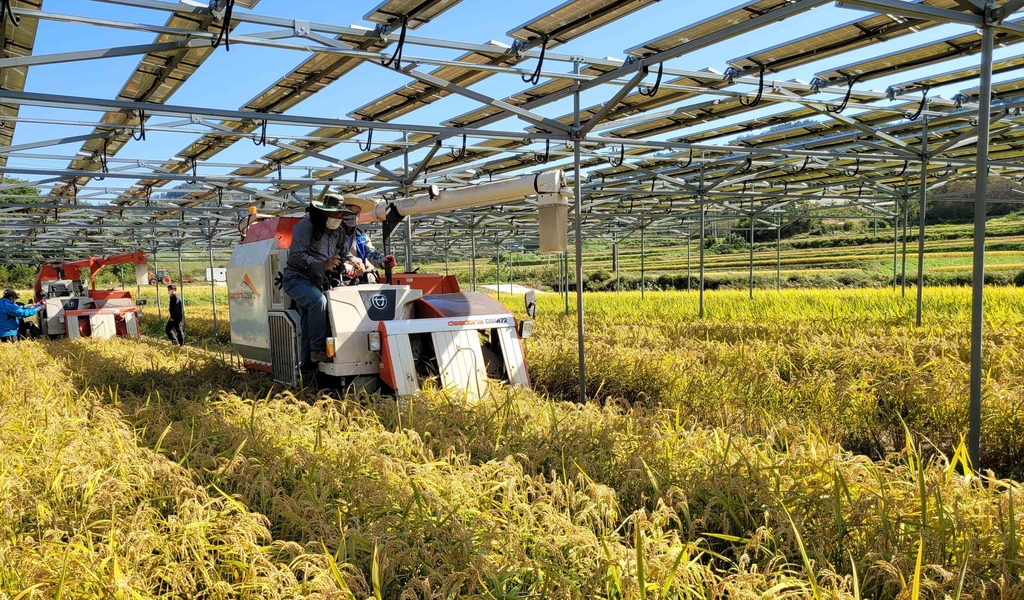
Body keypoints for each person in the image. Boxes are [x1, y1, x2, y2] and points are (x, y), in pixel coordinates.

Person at [282, 193, 360, 369]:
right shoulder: (305, 227)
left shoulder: (338, 232)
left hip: (317, 281)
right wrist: (322, 265)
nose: (338, 218)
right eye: (335, 215)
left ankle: (307, 371)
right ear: (324, 213)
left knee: (309, 327)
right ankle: (318, 350)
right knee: (319, 302)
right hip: (297, 278)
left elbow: (343, 252)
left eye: (340, 215)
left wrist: (352, 260)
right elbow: (295, 255)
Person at [336, 195, 396, 284]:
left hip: (358, 279)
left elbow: (370, 253)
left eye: (357, 212)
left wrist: (384, 261)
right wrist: (344, 264)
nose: (354, 216)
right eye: (350, 212)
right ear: (342, 212)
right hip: (335, 278)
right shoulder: (332, 233)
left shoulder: (362, 236)